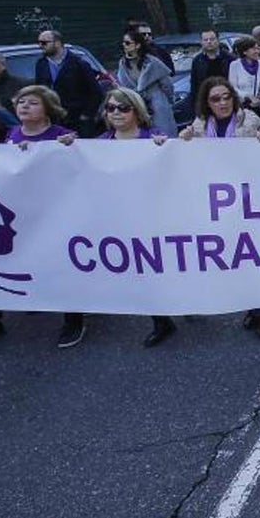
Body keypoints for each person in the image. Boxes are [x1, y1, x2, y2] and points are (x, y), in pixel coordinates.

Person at [179, 77, 260, 336]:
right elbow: (186, 160)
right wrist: (181, 140)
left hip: (248, 201)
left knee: (254, 258)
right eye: (215, 99)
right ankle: (249, 308)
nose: (222, 103)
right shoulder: (198, 127)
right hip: (217, 203)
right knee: (234, 258)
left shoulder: (250, 121)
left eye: (226, 96)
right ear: (206, 103)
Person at [94, 87, 178, 346]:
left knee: (169, 266)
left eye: (123, 107)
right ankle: (161, 321)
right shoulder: (97, 145)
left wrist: (166, 149)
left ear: (137, 111)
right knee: (144, 271)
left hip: (156, 216)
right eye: (111, 108)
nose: (116, 113)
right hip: (122, 219)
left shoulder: (153, 138)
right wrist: (66, 147)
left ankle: (184, 301)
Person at [7, 85, 81, 347]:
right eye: (21, 102)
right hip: (26, 213)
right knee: (33, 258)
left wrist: (70, 147)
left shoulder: (62, 136)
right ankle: (38, 298)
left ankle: (74, 319)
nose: (25, 106)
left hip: (59, 212)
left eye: (33, 102)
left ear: (48, 109)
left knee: (64, 265)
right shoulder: (12, 134)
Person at [34, 29, 104, 137]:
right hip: (53, 119)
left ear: (57, 43)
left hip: (77, 121)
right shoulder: (41, 64)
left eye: (44, 43)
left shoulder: (79, 63)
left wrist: (86, 115)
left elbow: (96, 92)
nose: (40, 46)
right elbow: (39, 90)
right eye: (39, 42)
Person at [116, 30, 178, 138]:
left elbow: (167, 85)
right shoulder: (123, 63)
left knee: (164, 134)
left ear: (137, 45)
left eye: (127, 43)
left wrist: (169, 101)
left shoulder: (152, 62)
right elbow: (123, 86)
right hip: (136, 105)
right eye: (123, 42)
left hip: (157, 103)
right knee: (141, 137)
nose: (124, 45)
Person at [228, 36, 260, 106]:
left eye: (257, 48)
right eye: (253, 49)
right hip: (243, 106)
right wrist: (248, 96)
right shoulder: (234, 65)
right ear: (244, 51)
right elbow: (233, 88)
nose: (257, 51)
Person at [190, 29, 233, 97]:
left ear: (218, 40)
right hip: (205, 99)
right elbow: (194, 85)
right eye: (205, 40)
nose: (209, 42)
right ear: (201, 42)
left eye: (212, 39)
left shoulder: (230, 59)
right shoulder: (197, 61)